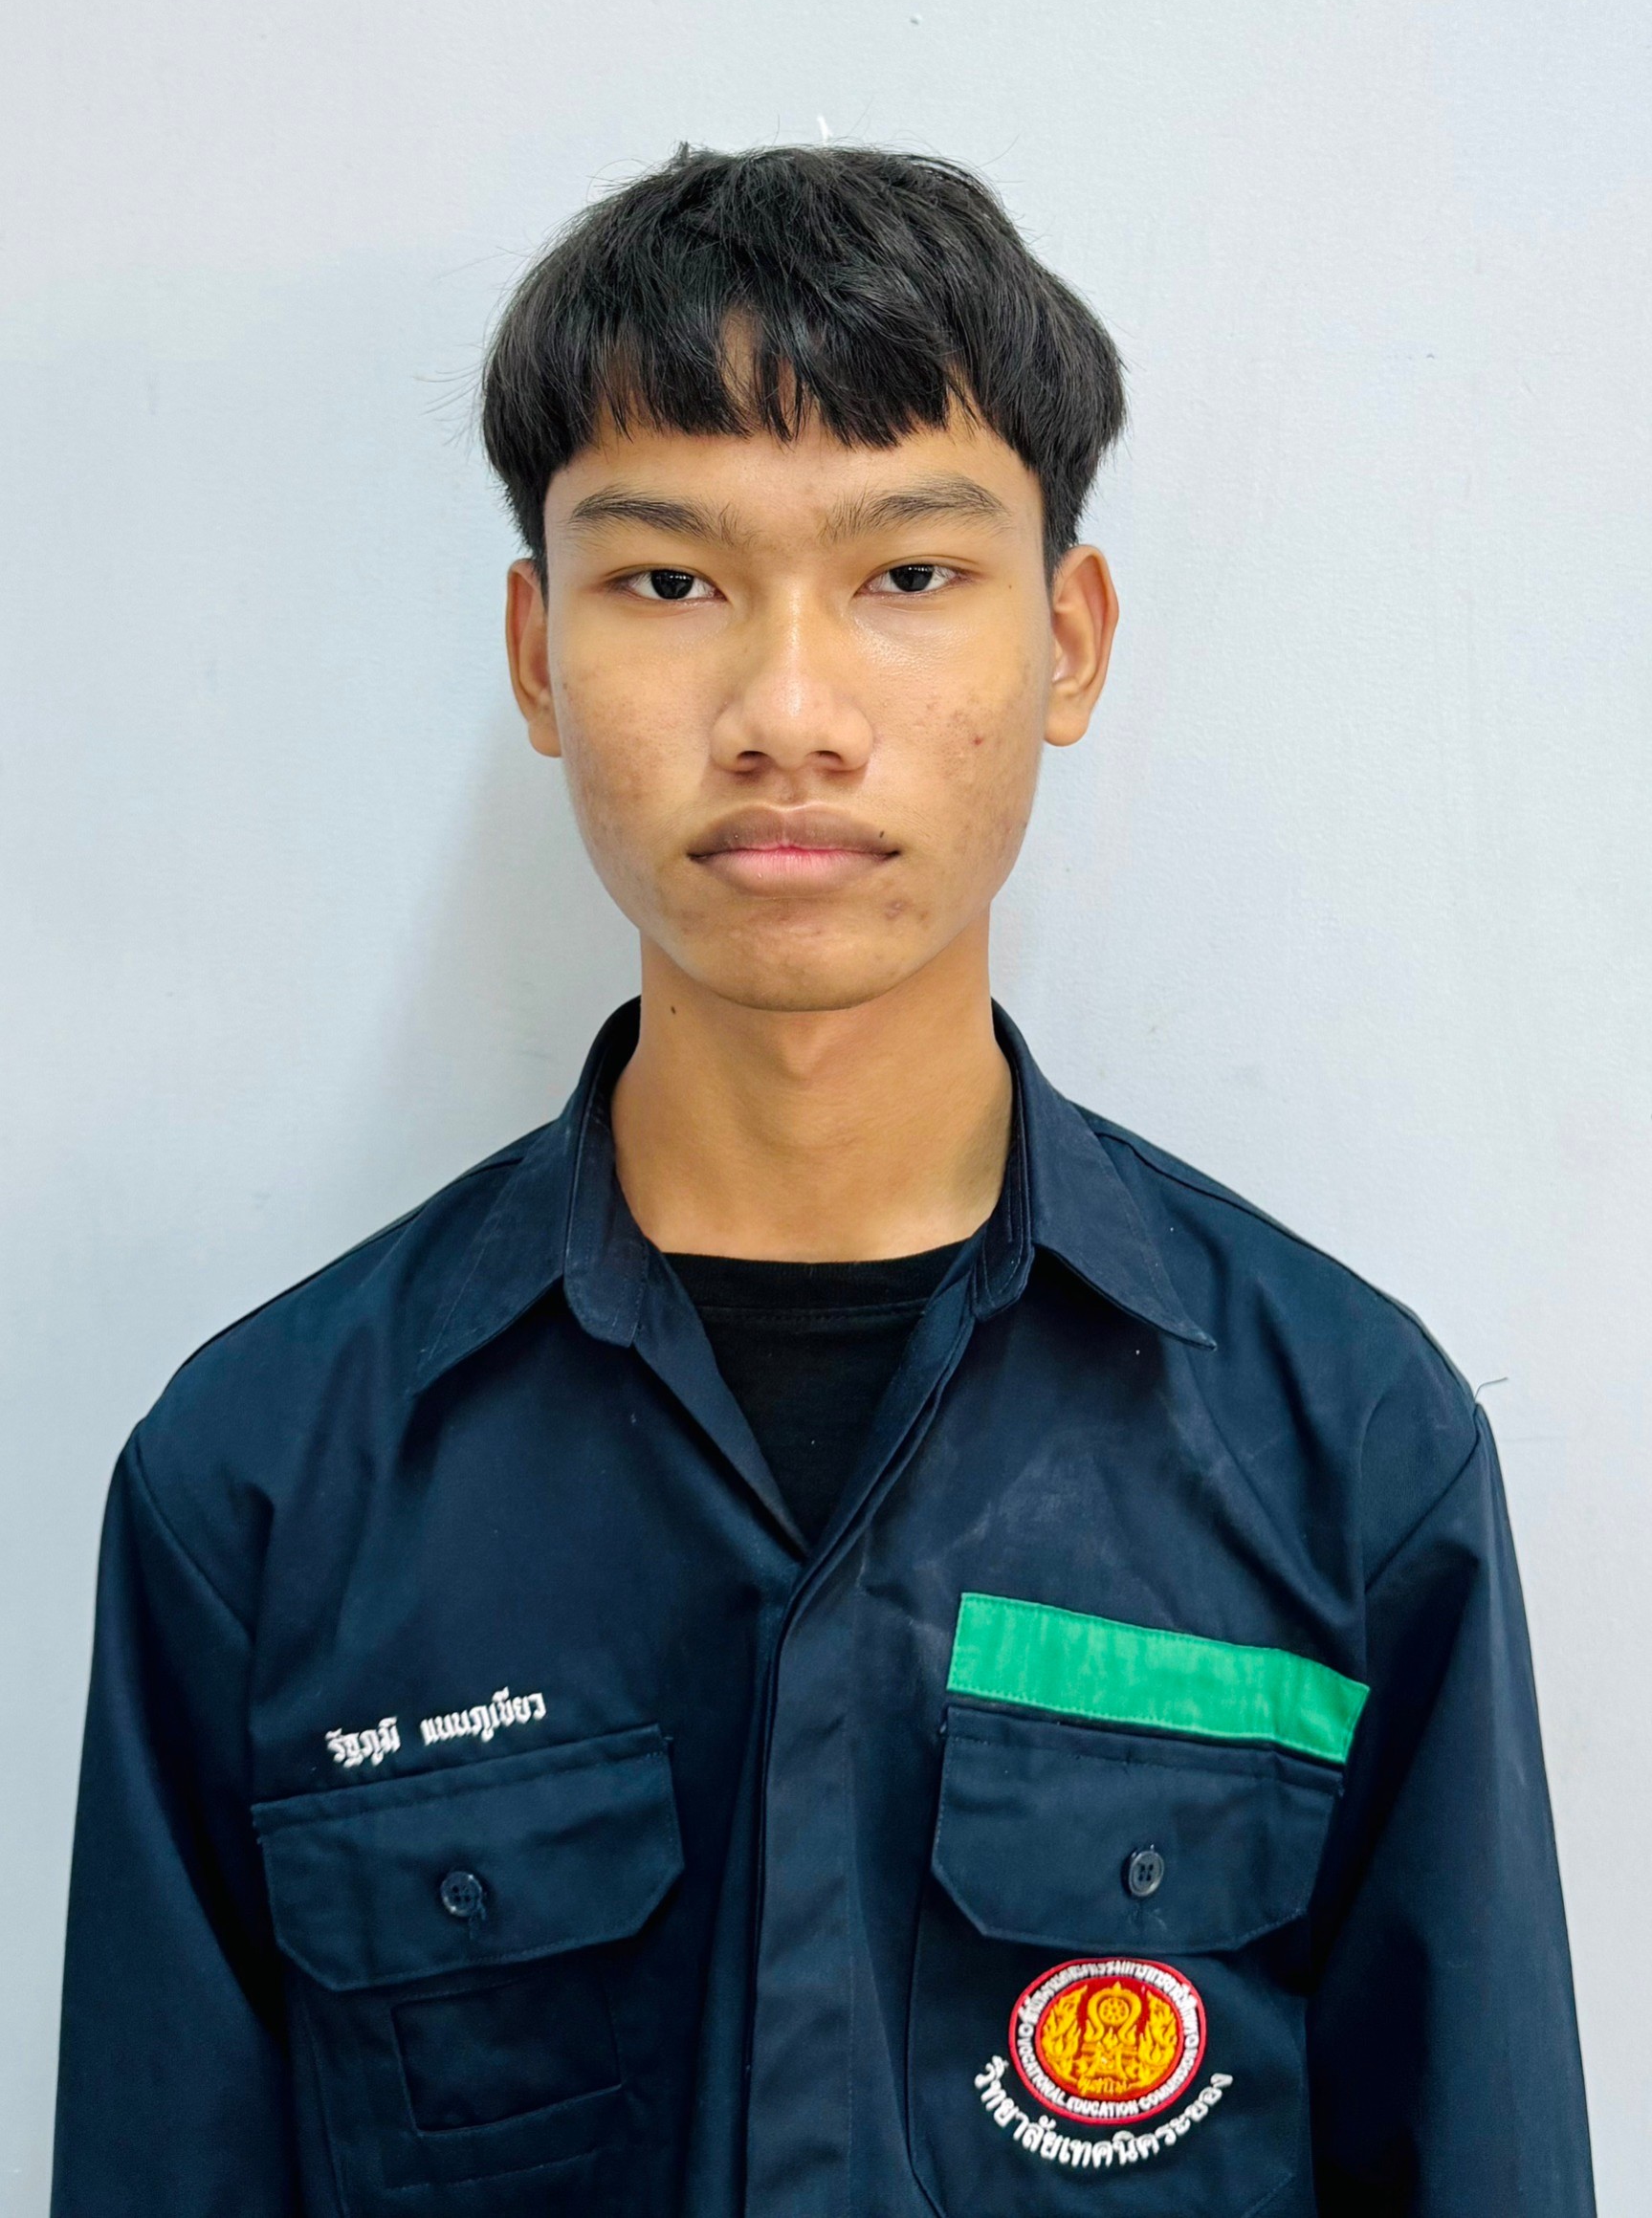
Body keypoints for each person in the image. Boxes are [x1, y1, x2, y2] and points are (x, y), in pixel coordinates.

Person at [52, 145, 1594, 2218]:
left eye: (909, 575)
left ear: (1069, 641)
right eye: (669, 582)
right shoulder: (263, 1489)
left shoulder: (1344, 1452)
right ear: (536, 650)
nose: (789, 714)